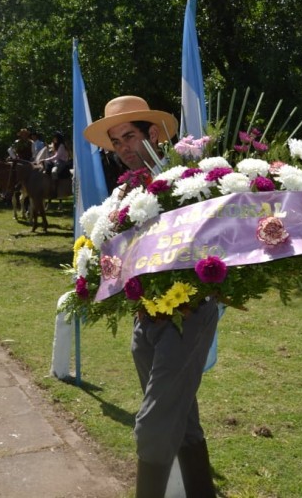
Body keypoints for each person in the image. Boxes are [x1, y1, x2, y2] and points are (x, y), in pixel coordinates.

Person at [83, 95, 219, 498]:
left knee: (154, 424)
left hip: (188, 315)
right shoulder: (123, 195)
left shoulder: (189, 180)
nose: (124, 148)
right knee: (181, 418)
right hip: (146, 320)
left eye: (129, 136)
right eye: (116, 141)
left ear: (153, 134)